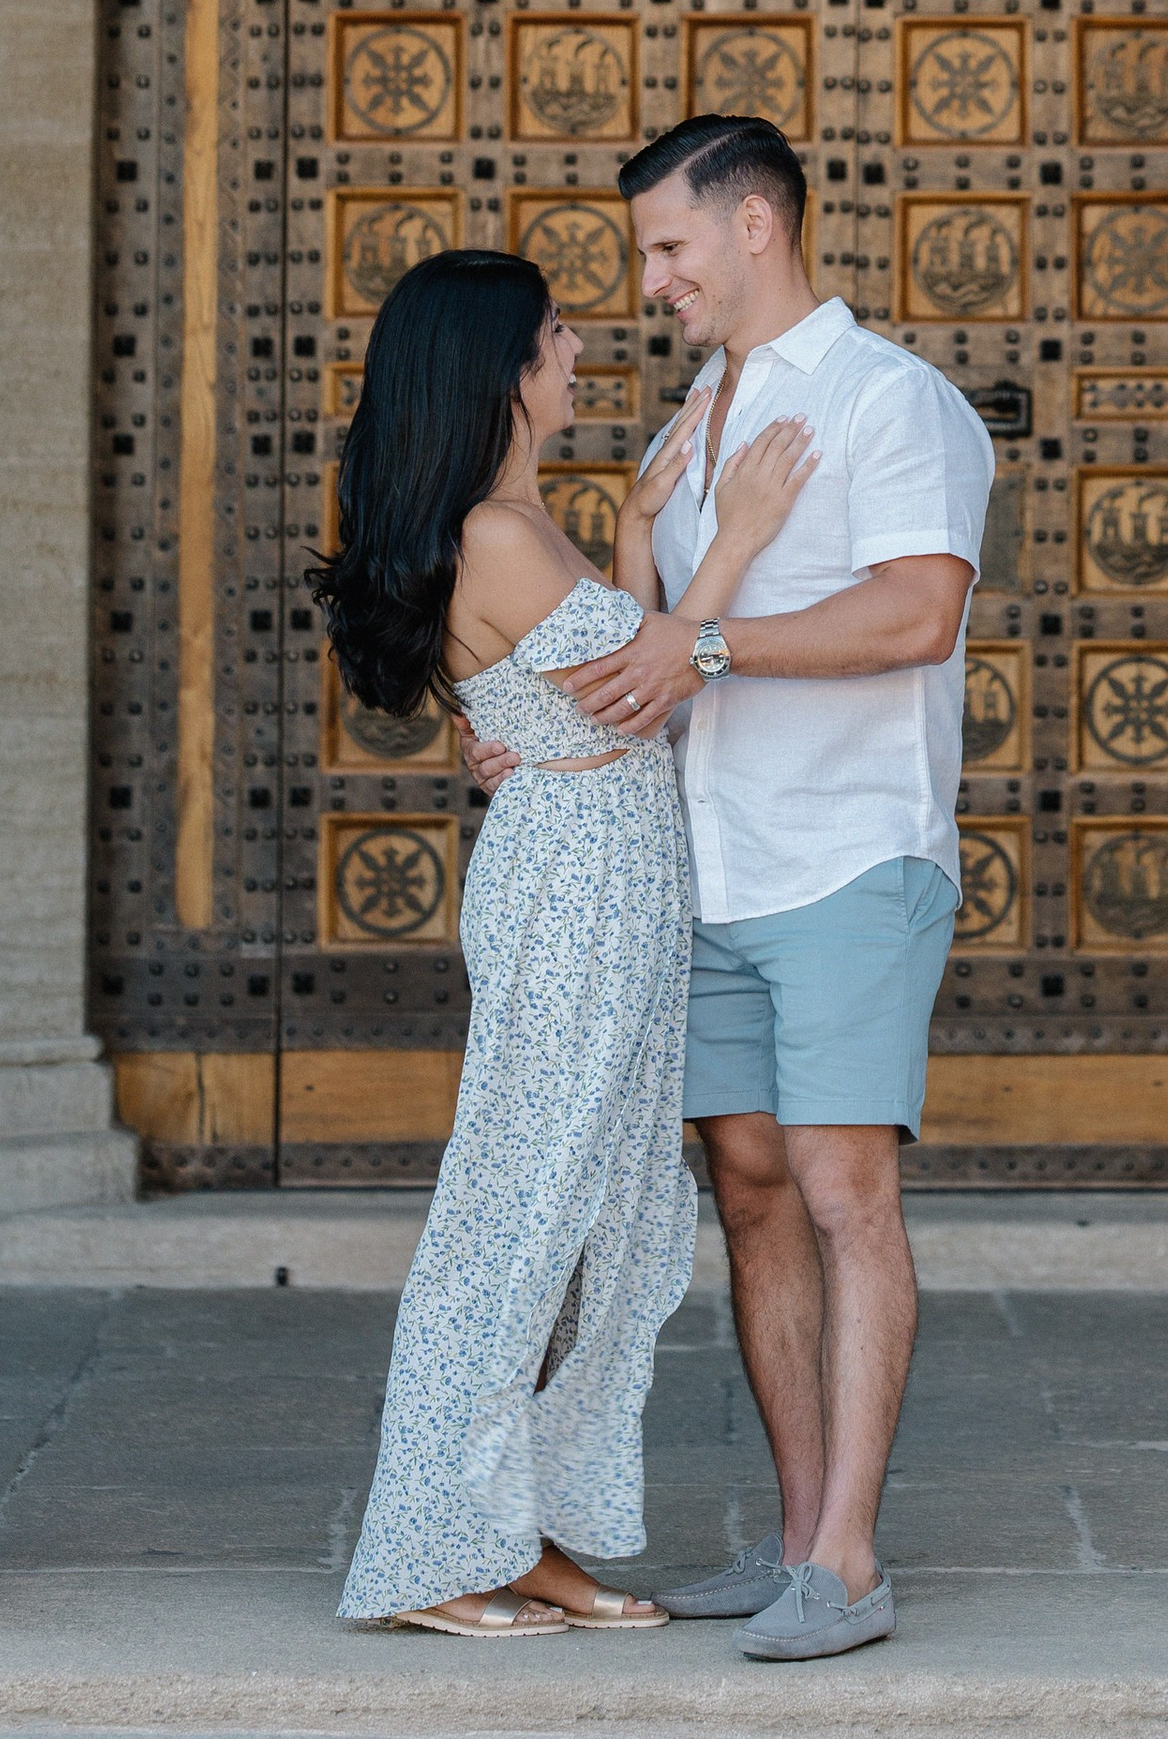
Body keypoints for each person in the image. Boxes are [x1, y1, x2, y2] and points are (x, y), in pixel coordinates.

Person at [467, 115, 992, 1664]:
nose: (653, 280)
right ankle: (794, 1535)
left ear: (756, 226)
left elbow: (914, 618)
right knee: (751, 1190)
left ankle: (849, 1560)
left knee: (842, 1192)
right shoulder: (699, 412)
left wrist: (698, 645)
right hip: (704, 864)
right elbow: (649, 644)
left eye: (669, 247)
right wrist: (553, 737)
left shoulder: (895, 402)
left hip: (847, 855)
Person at [309, 245, 815, 1641]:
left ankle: (517, 1531)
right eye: (553, 333)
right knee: (519, 1216)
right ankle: (433, 1552)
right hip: (575, 894)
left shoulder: (521, 527)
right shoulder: (497, 536)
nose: (580, 344)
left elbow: (583, 691)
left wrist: (647, 525)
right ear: (503, 372)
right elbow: (645, 691)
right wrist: (739, 535)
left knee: (590, 1220)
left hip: (607, 879)